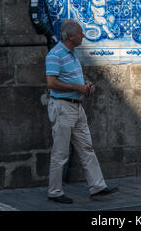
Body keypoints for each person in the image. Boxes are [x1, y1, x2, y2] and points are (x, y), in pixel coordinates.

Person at [46, 19, 118, 203]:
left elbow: (74, 79)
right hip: (62, 107)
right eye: (80, 33)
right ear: (70, 36)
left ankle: (97, 187)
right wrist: (78, 89)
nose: (83, 35)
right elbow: (51, 83)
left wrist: (86, 85)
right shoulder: (55, 54)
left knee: (87, 148)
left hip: (76, 107)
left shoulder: (72, 54)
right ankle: (54, 192)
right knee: (60, 152)